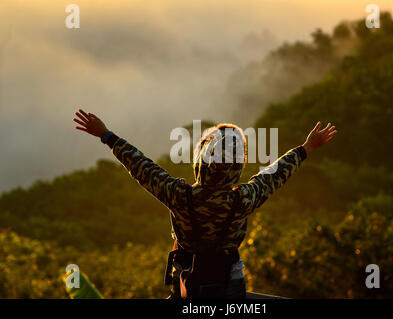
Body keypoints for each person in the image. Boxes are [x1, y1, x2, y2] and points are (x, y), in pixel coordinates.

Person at [73, 108, 337, 299]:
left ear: (202, 161)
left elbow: (141, 167)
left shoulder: (179, 196)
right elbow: (276, 174)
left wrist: (106, 135)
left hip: (188, 285)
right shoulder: (244, 199)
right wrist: (306, 148)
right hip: (230, 285)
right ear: (237, 166)